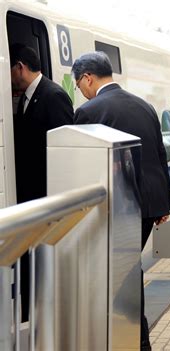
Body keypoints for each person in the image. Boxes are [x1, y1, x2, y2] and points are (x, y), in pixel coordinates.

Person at [71, 51, 170, 351]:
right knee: (127, 269)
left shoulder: (89, 111)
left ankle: (133, 341)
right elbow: (160, 156)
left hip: (118, 206)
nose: (81, 91)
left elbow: (85, 166)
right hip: (148, 204)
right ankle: (135, 341)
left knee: (120, 274)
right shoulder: (145, 105)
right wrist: (163, 203)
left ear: (88, 77)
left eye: (79, 84)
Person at [10, 43, 74, 322]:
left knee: (40, 264)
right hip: (29, 198)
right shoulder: (26, 97)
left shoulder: (53, 96)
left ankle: (40, 319)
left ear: (20, 67)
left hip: (44, 199)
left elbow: (64, 150)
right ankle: (29, 317)